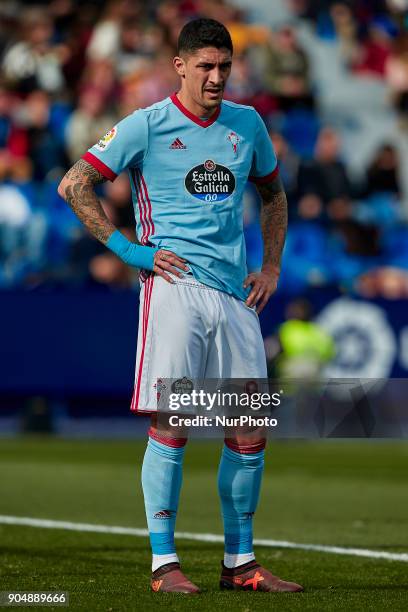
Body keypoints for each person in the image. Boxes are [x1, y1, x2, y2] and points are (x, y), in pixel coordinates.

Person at [58, 18, 303, 595]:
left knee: (249, 431)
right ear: (181, 66)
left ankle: (240, 564)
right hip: (174, 289)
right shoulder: (147, 124)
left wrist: (270, 267)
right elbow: (74, 184)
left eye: (224, 66)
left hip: (236, 295)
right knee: (176, 422)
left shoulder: (248, 125)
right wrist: (129, 251)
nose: (216, 77)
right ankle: (163, 565)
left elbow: (273, 194)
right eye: (206, 67)